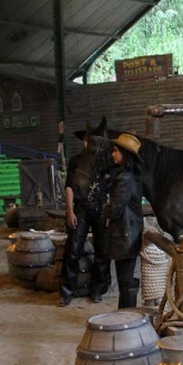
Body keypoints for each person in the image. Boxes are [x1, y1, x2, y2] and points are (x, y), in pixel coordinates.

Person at [59, 122, 112, 307]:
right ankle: (67, 292)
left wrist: (109, 213)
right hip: (80, 208)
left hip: (100, 208)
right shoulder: (76, 161)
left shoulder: (106, 163)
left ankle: (97, 290)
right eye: (87, 140)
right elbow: (69, 187)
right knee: (73, 250)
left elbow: (112, 189)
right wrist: (70, 210)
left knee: (102, 252)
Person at [103, 133, 144, 309]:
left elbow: (116, 209)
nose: (113, 154)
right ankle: (125, 313)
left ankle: (127, 315)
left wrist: (104, 209)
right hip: (128, 232)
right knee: (125, 279)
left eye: (115, 151)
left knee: (125, 280)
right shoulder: (130, 176)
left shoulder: (125, 179)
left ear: (124, 154)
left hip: (125, 233)